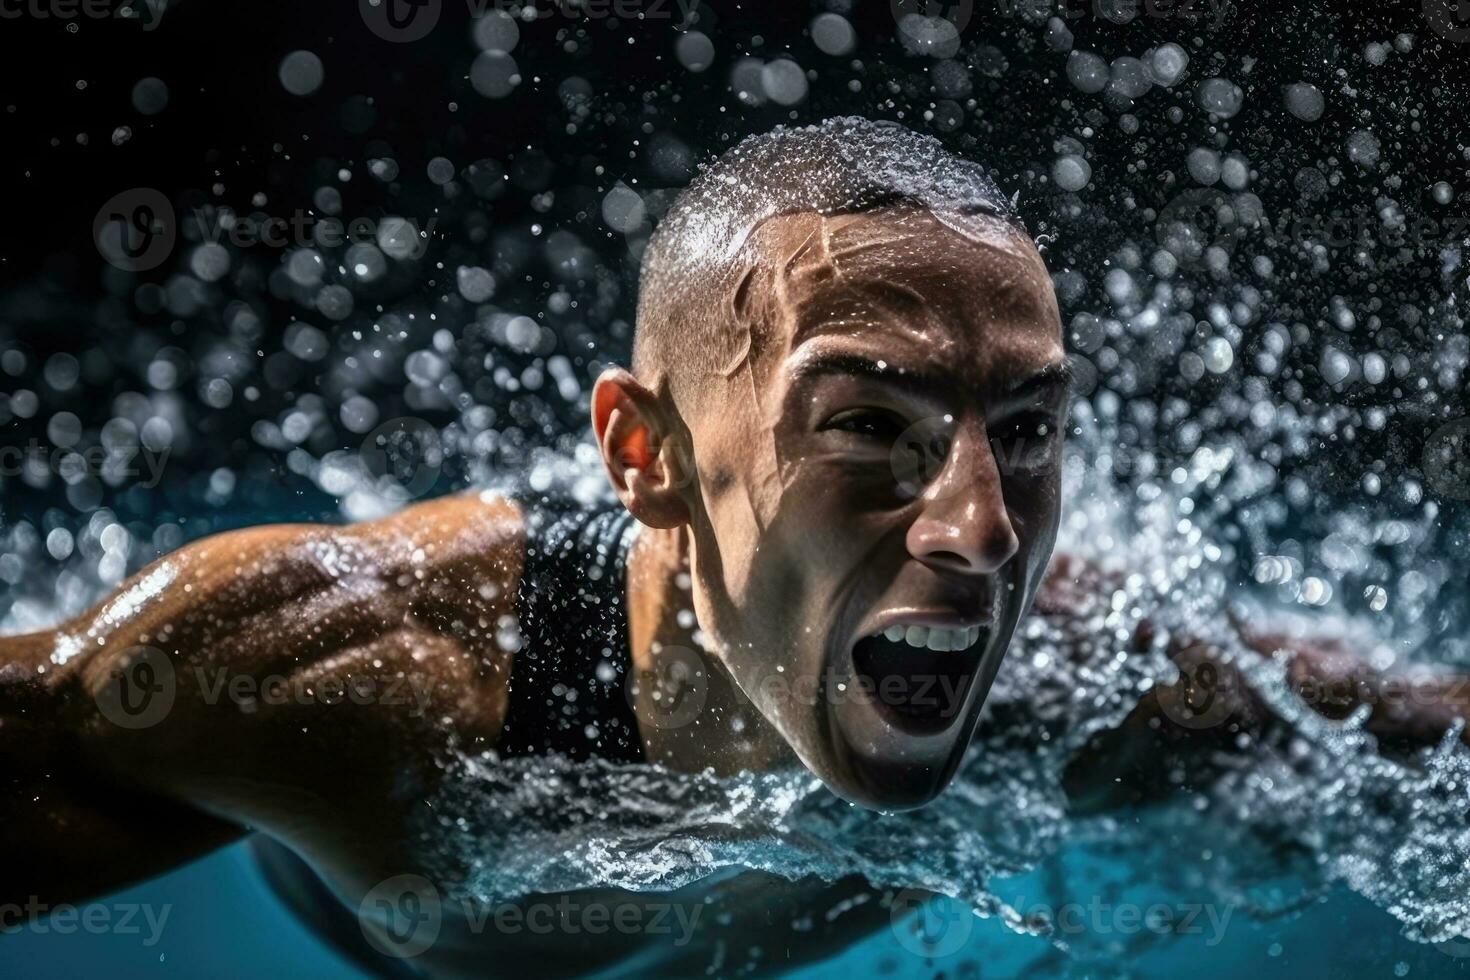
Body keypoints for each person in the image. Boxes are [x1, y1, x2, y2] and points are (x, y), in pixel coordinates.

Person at [2, 118, 1465, 977]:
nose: (982, 531)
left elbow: (1407, 743)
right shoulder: (357, 680)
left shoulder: (1083, 687)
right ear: (645, 458)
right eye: (867, 427)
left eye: (1022, 430)